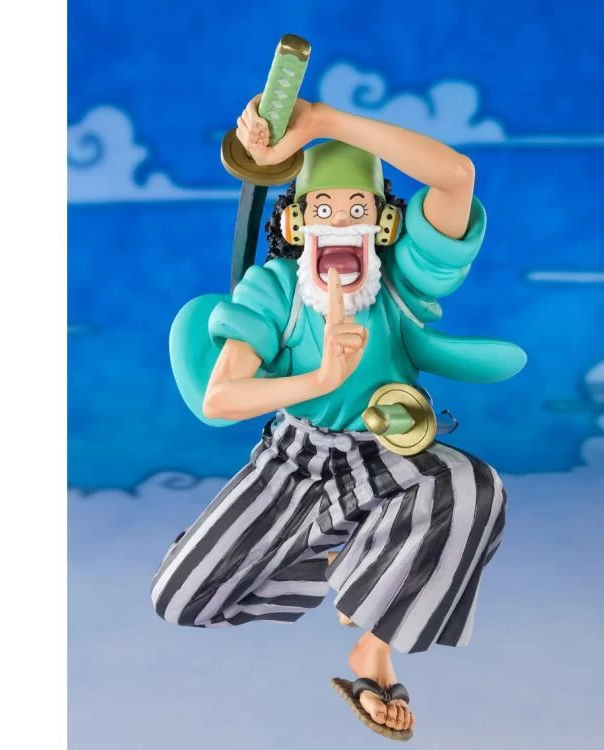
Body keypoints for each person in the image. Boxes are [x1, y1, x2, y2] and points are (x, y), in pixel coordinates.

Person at [151, 95, 526, 740]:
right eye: (323, 210)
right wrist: (319, 379)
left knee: (475, 488)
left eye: (359, 209)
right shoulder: (274, 290)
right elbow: (220, 399)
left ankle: (372, 651)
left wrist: (321, 121)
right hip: (293, 460)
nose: (342, 223)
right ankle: (353, 560)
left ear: (384, 222)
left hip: (386, 455)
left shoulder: (402, 283)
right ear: (298, 223)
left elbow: (455, 176)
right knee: (180, 599)